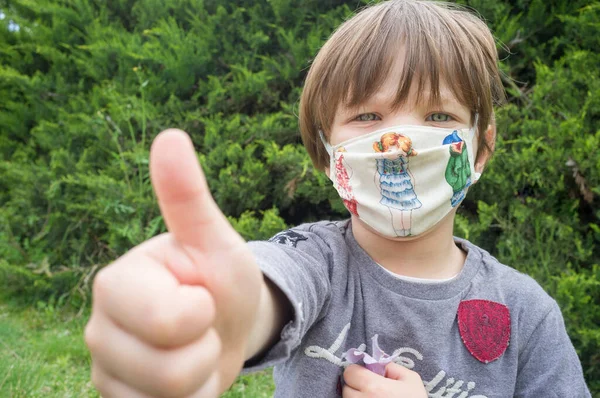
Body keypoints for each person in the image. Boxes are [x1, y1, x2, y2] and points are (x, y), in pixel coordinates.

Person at [84, 1, 592, 397]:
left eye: (438, 117)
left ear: (482, 146)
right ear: (328, 154)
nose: (402, 142)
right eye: (368, 118)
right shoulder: (317, 262)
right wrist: (222, 313)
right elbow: (268, 287)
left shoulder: (528, 313)